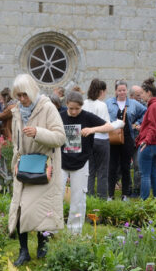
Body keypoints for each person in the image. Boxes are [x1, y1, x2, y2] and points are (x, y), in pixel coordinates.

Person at [8, 73, 65, 266]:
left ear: (32, 91)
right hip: (24, 166)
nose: (22, 100)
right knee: (20, 208)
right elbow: (17, 141)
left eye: (24, 95)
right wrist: (15, 160)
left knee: (42, 210)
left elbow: (60, 137)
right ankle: (23, 252)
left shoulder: (47, 108)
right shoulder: (17, 111)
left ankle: (42, 246)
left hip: (44, 167)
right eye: (18, 96)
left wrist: (38, 133)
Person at [60, 91, 116, 234]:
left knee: (78, 199)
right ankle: (53, 229)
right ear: (66, 105)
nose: (73, 112)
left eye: (76, 109)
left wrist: (92, 130)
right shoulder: (59, 116)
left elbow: (109, 126)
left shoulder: (87, 116)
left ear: (81, 106)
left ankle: (74, 231)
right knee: (56, 196)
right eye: (70, 108)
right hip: (61, 162)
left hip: (81, 162)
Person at [106, 80, 145, 200]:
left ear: (127, 90)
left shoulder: (133, 103)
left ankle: (125, 194)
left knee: (126, 166)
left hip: (128, 138)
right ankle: (110, 195)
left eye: (124, 90)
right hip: (113, 137)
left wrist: (137, 123)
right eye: (119, 90)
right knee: (112, 166)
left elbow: (145, 112)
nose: (122, 92)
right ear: (115, 91)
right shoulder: (108, 103)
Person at [135, 77, 156, 200]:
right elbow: (154, 126)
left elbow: (153, 127)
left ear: (149, 92)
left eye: (142, 93)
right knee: (153, 173)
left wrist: (145, 141)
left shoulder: (153, 106)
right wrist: (142, 128)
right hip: (155, 144)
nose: (141, 96)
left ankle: (144, 201)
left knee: (145, 175)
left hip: (149, 144)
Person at [83, 79, 112, 199]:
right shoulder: (102, 105)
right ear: (101, 92)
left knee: (89, 172)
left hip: (88, 140)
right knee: (102, 172)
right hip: (101, 140)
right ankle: (101, 199)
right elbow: (106, 126)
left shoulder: (84, 103)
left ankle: (89, 197)